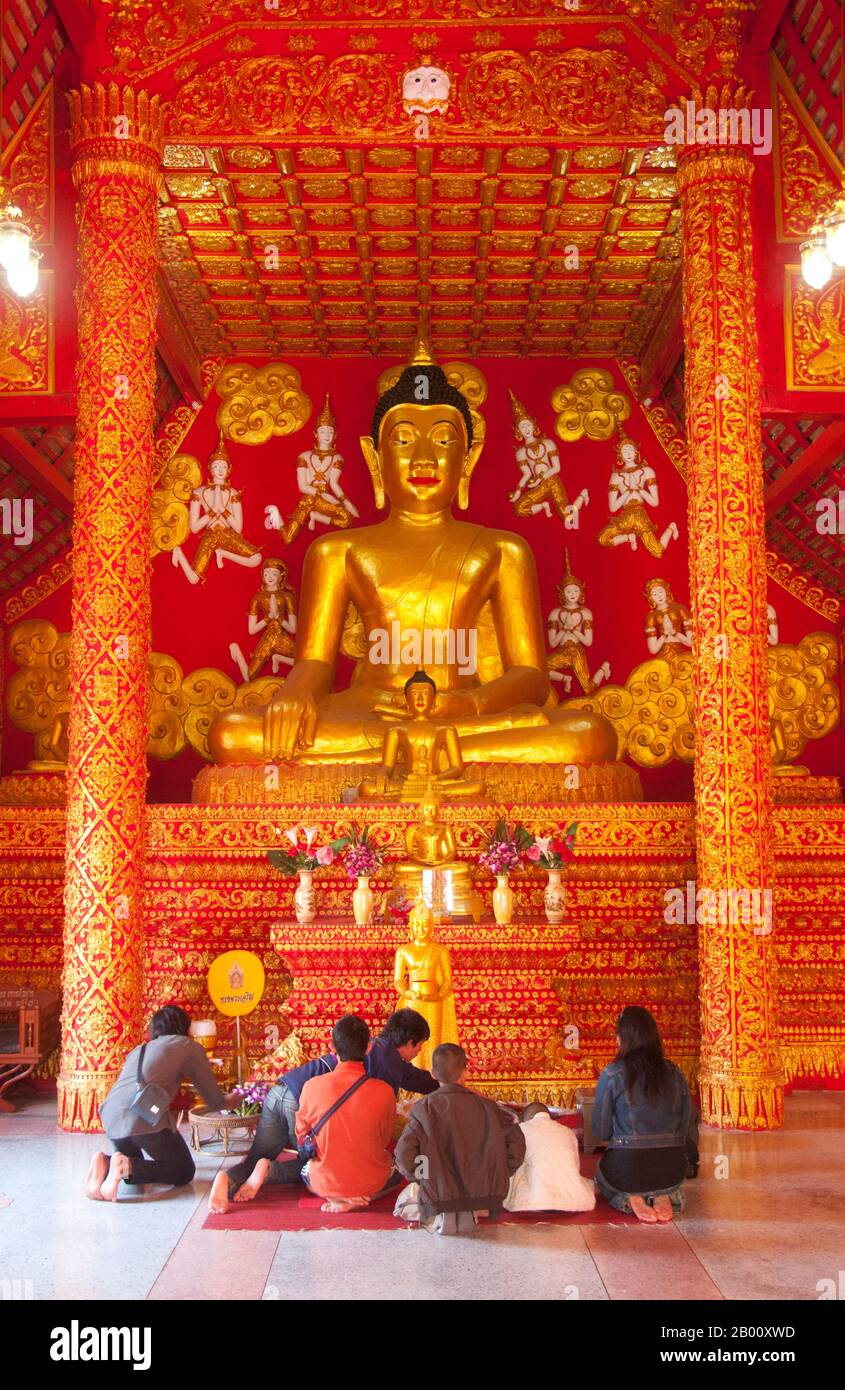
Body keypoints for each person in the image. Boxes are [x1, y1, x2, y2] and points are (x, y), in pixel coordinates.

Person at [209, 1008, 436, 1213]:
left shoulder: (375, 1049)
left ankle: (227, 1179)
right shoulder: (387, 1059)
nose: (418, 1052)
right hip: (301, 1101)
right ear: (408, 1042)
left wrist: (440, 1084)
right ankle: (271, 1172)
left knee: (256, 1158)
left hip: (281, 1089)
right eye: (420, 1046)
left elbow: (413, 1077)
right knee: (323, 1159)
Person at [88, 1005, 236, 1202]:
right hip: (142, 1116)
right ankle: (118, 1165)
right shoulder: (187, 1046)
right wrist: (239, 1097)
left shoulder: (139, 1050)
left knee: (135, 1168)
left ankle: (106, 1163)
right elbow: (214, 1100)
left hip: (111, 1117)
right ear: (184, 1026)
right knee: (183, 1171)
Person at [393, 1043, 526, 1234]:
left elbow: (404, 1155)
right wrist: (501, 1172)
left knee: (402, 1203)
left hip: (439, 1194)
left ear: (432, 1073)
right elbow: (516, 1145)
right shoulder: (488, 1107)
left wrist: (423, 1178)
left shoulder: (423, 1108)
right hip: (487, 1194)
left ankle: (448, 1211)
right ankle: (473, 1209)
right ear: (465, 1073)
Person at [593, 1005, 699, 1224]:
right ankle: (664, 1194)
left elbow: (601, 1131)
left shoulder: (612, 1073)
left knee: (601, 1175)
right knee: (659, 1172)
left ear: (622, 1039)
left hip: (627, 1171)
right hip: (671, 1169)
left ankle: (630, 1197)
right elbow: (687, 1125)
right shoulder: (674, 1072)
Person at [503, 1103, 595, 1214]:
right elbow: (575, 1165)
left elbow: (512, 1162)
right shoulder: (567, 1131)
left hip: (534, 1200)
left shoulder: (521, 1129)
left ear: (526, 1118)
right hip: (573, 1200)